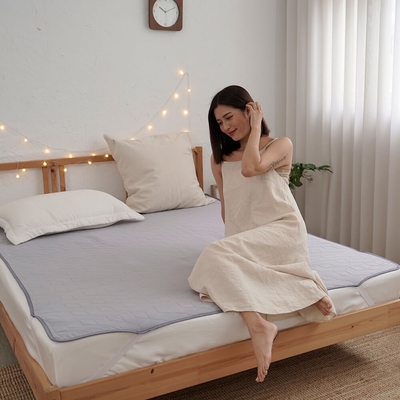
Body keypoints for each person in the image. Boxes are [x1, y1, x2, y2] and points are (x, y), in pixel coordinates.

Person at [188, 85, 335, 384]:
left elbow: (250, 168)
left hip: (282, 231)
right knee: (216, 256)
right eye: (219, 122)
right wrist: (236, 245)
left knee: (214, 256)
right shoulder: (218, 158)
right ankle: (264, 320)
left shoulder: (280, 145)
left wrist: (256, 127)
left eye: (229, 117)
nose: (225, 127)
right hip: (250, 236)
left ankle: (297, 289)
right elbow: (228, 207)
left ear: (249, 109)